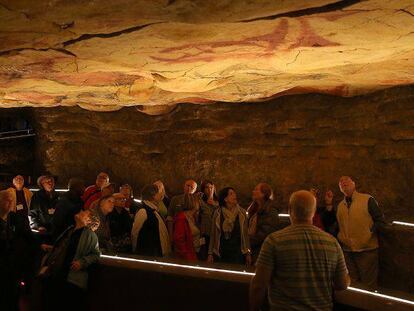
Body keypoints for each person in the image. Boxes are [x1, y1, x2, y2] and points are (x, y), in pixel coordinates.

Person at [249, 190, 350, 311]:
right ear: (313, 212)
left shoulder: (274, 241)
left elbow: (259, 285)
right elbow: (342, 284)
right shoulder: (332, 243)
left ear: (289, 210)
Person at [40, 209, 100, 311]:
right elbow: (65, 248)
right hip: (56, 274)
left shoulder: (90, 235)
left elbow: (95, 254)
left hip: (71, 279)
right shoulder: (70, 229)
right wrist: (51, 248)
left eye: (85, 212)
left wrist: (82, 262)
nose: (81, 211)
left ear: (89, 221)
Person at [336, 176, 385, 289]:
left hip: (367, 250)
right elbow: (339, 225)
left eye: (346, 180)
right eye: (341, 182)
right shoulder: (340, 206)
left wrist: (368, 234)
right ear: (340, 188)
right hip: (348, 250)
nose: (343, 182)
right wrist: (341, 237)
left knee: (369, 284)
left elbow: (380, 220)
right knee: (353, 284)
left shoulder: (367, 199)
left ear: (354, 183)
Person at [208, 187, 251, 266]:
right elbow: (213, 234)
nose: (235, 195)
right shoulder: (217, 213)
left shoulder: (242, 213)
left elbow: (245, 234)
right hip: (221, 252)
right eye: (231, 194)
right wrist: (210, 253)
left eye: (234, 193)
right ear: (225, 199)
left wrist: (248, 253)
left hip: (238, 253)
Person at [131, 184, 170, 257]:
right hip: (148, 253)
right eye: (159, 193)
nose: (162, 195)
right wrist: (135, 250)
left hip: (155, 252)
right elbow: (135, 233)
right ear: (153, 195)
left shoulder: (154, 210)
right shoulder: (143, 211)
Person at [247, 183, 281, 263]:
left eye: (256, 190)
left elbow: (265, 233)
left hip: (262, 251)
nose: (253, 191)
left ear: (263, 194)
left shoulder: (271, 211)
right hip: (253, 250)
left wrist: (247, 243)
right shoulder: (254, 209)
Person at [0, 190, 20, 311]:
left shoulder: (14, 218)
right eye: (7, 199)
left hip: (11, 265)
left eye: (12, 199)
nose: (11, 202)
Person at [173, 194, 201, 261]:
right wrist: (187, 257)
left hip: (195, 252)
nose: (199, 203)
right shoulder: (181, 218)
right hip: (188, 256)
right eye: (198, 201)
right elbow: (179, 240)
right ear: (193, 202)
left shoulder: (193, 216)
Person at [198, 180, 219, 260]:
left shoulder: (218, 202)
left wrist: (212, 199)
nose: (209, 189)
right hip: (205, 232)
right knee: (204, 254)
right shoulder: (200, 201)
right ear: (203, 189)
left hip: (216, 233)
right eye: (207, 187)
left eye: (211, 187)